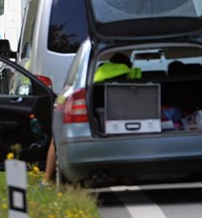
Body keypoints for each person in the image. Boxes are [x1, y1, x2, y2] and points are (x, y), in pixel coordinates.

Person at [42, 52, 135, 186]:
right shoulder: (128, 75)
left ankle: (47, 179)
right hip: (124, 122)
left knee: (55, 139)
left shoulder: (95, 75)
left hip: (95, 123)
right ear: (127, 65)